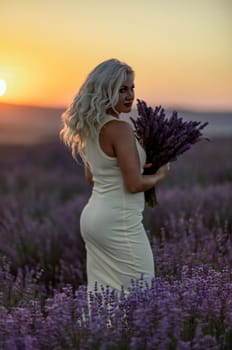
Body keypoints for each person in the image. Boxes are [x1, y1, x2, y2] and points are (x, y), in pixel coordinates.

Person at [60, 58, 169, 294]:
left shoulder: (90, 127)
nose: (130, 95)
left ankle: (98, 332)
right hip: (119, 223)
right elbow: (134, 184)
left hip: (93, 220)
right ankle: (125, 333)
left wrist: (136, 165)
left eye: (132, 88)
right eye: (121, 89)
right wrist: (160, 174)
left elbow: (93, 178)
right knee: (141, 291)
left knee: (103, 296)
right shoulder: (120, 129)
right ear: (105, 91)